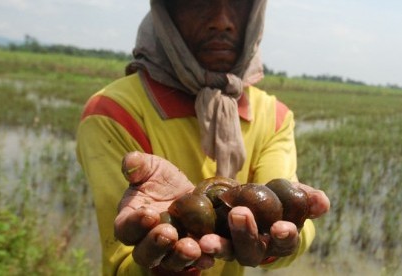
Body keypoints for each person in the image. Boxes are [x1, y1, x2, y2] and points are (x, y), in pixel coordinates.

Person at [76, 0, 330, 275]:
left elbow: (291, 225)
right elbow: (124, 261)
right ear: (167, 13)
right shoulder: (114, 111)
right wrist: (163, 265)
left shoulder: (274, 115)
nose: (222, 21)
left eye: (239, 3)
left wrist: (276, 242)